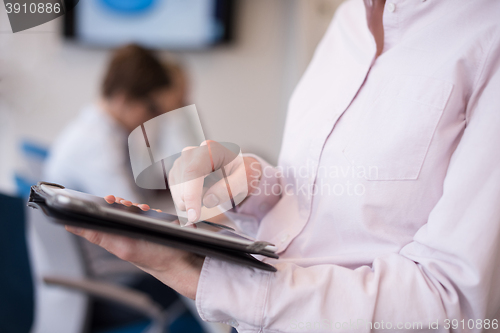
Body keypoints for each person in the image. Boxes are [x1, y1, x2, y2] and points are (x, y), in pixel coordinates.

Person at [66, 0, 500, 332]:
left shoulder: (485, 32)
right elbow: (308, 202)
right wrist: (251, 187)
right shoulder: (345, 22)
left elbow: (457, 306)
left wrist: (204, 276)